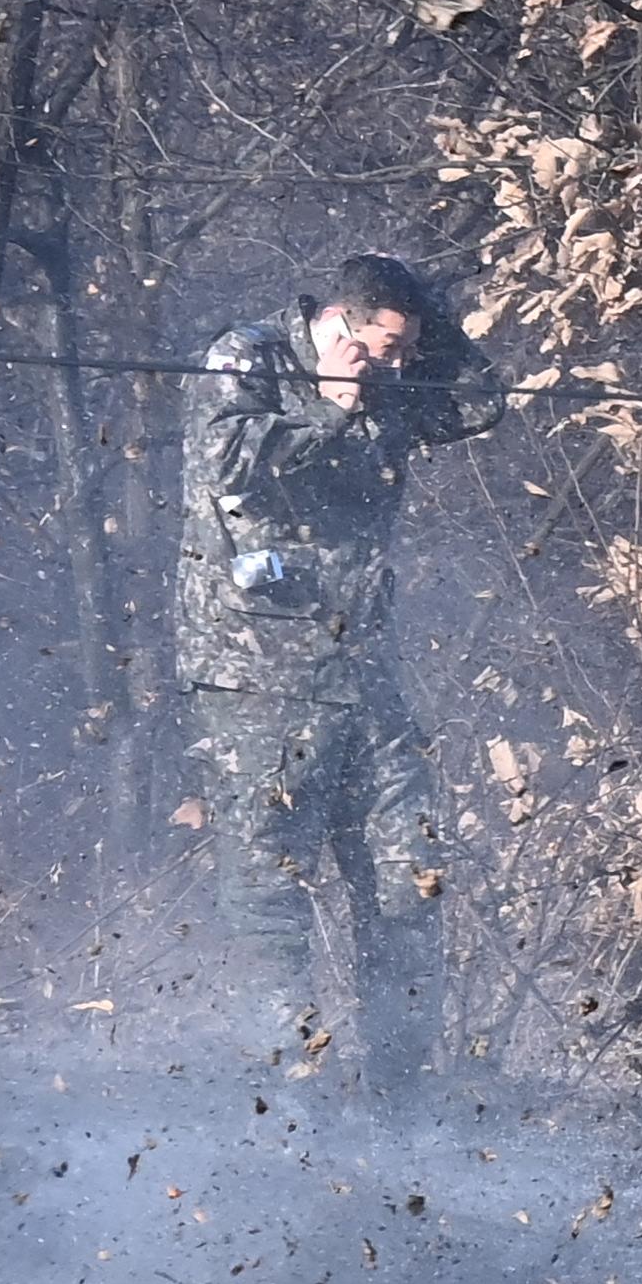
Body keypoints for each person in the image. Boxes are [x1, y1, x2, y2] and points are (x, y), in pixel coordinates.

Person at [181, 251, 498, 1087]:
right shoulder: (247, 356)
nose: (399, 366)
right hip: (259, 675)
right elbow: (223, 468)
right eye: (385, 346)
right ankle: (285, 1097)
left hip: (364, 670)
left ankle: (402, 1098)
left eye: (406, 351)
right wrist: (327, 403)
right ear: (336, 323)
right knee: (269, 890)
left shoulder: (395, 380)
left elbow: (480, 401)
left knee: (409, 882)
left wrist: (420, 315)